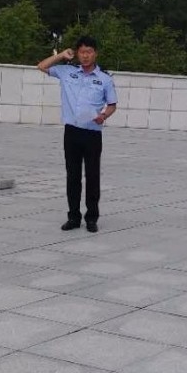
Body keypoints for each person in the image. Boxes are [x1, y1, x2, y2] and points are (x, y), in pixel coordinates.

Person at [37, 36, 117, 233]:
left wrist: (104, 115)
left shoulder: (105, 79)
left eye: (89, 52)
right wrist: (61, 56)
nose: (85, 56)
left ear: (95, 53)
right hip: (72, 132)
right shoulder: (67, 72)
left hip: (92, 134)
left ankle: (91, 218)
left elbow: (112, 105)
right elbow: (41, 66)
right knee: (72, 176)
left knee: (92, 176)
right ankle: (73, 216)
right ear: (77, 53)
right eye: (82, 52)